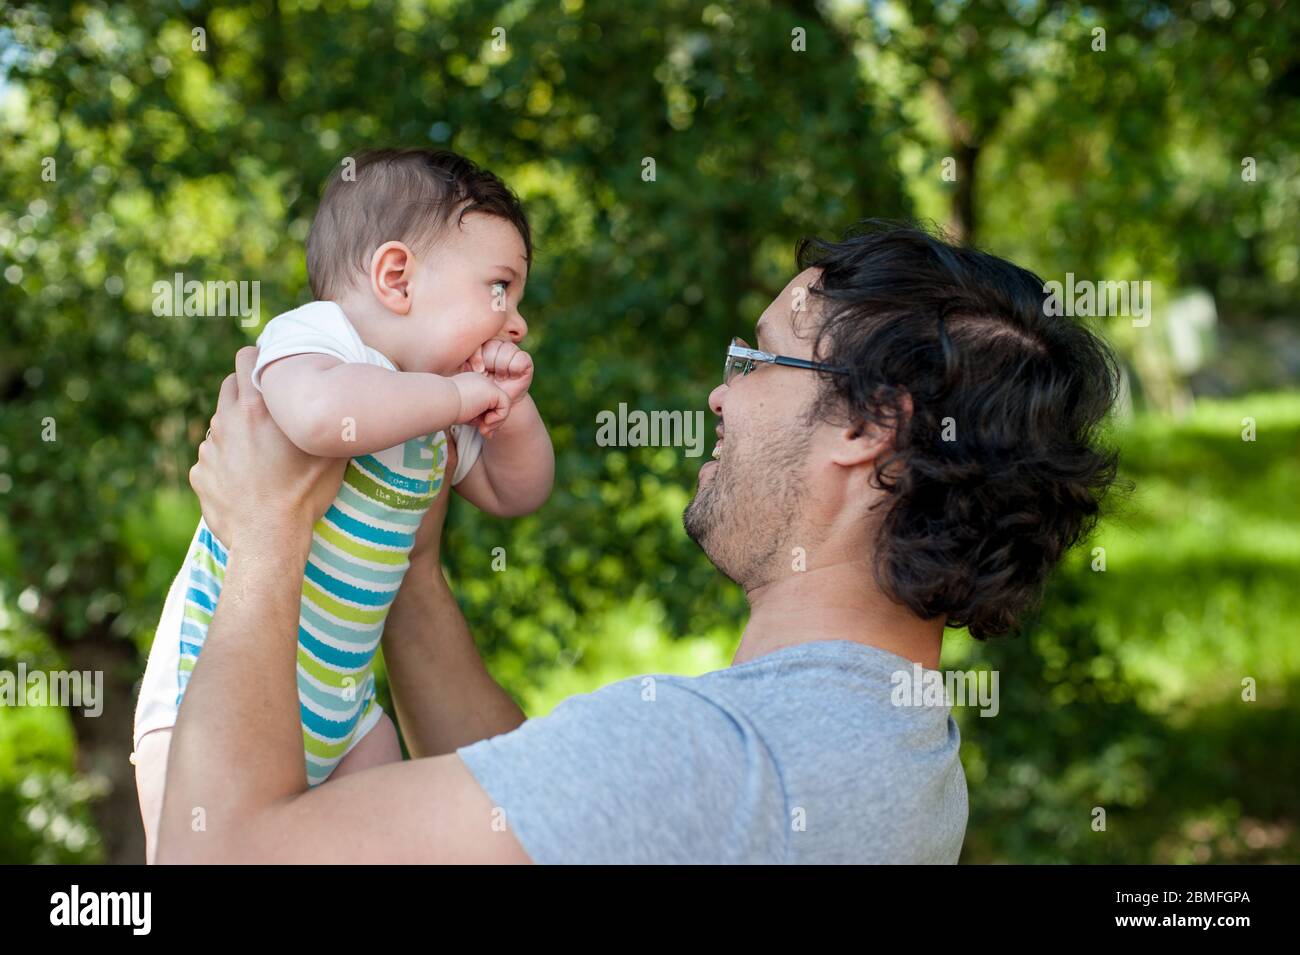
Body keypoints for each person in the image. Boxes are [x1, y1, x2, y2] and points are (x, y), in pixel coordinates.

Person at [150, 222, 1121, 864]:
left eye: (755, 356)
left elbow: (219, 850)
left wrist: (267, 536)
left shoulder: (709, 761)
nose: (718, 394)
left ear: (866, 427)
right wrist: (407, 559)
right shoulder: (906, 753)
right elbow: (532, 795)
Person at [132, 148, 553, 859]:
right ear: (395, 277)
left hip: (345, 708)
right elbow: (319, 415)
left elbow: (519, 490)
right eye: (499, 290)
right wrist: (454, 397)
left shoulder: (434, 407)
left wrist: (509, 410)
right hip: (205, 692)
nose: (514, 322)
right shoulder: (320, 338)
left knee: (391, 826)